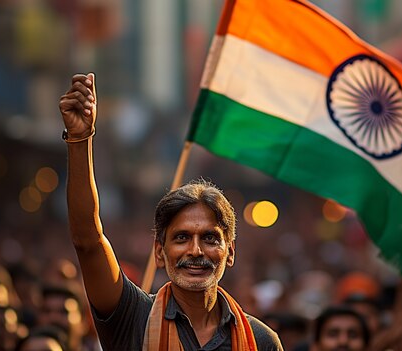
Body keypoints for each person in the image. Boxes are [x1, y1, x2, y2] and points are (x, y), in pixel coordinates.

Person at [58, 73, 283, 350]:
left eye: (210, 238)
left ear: (231, 251)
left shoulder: (261, 340)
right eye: (181, 238)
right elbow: (87, 242)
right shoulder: (133, 318)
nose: (196, 251)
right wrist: (80, 139)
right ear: (159, 252)